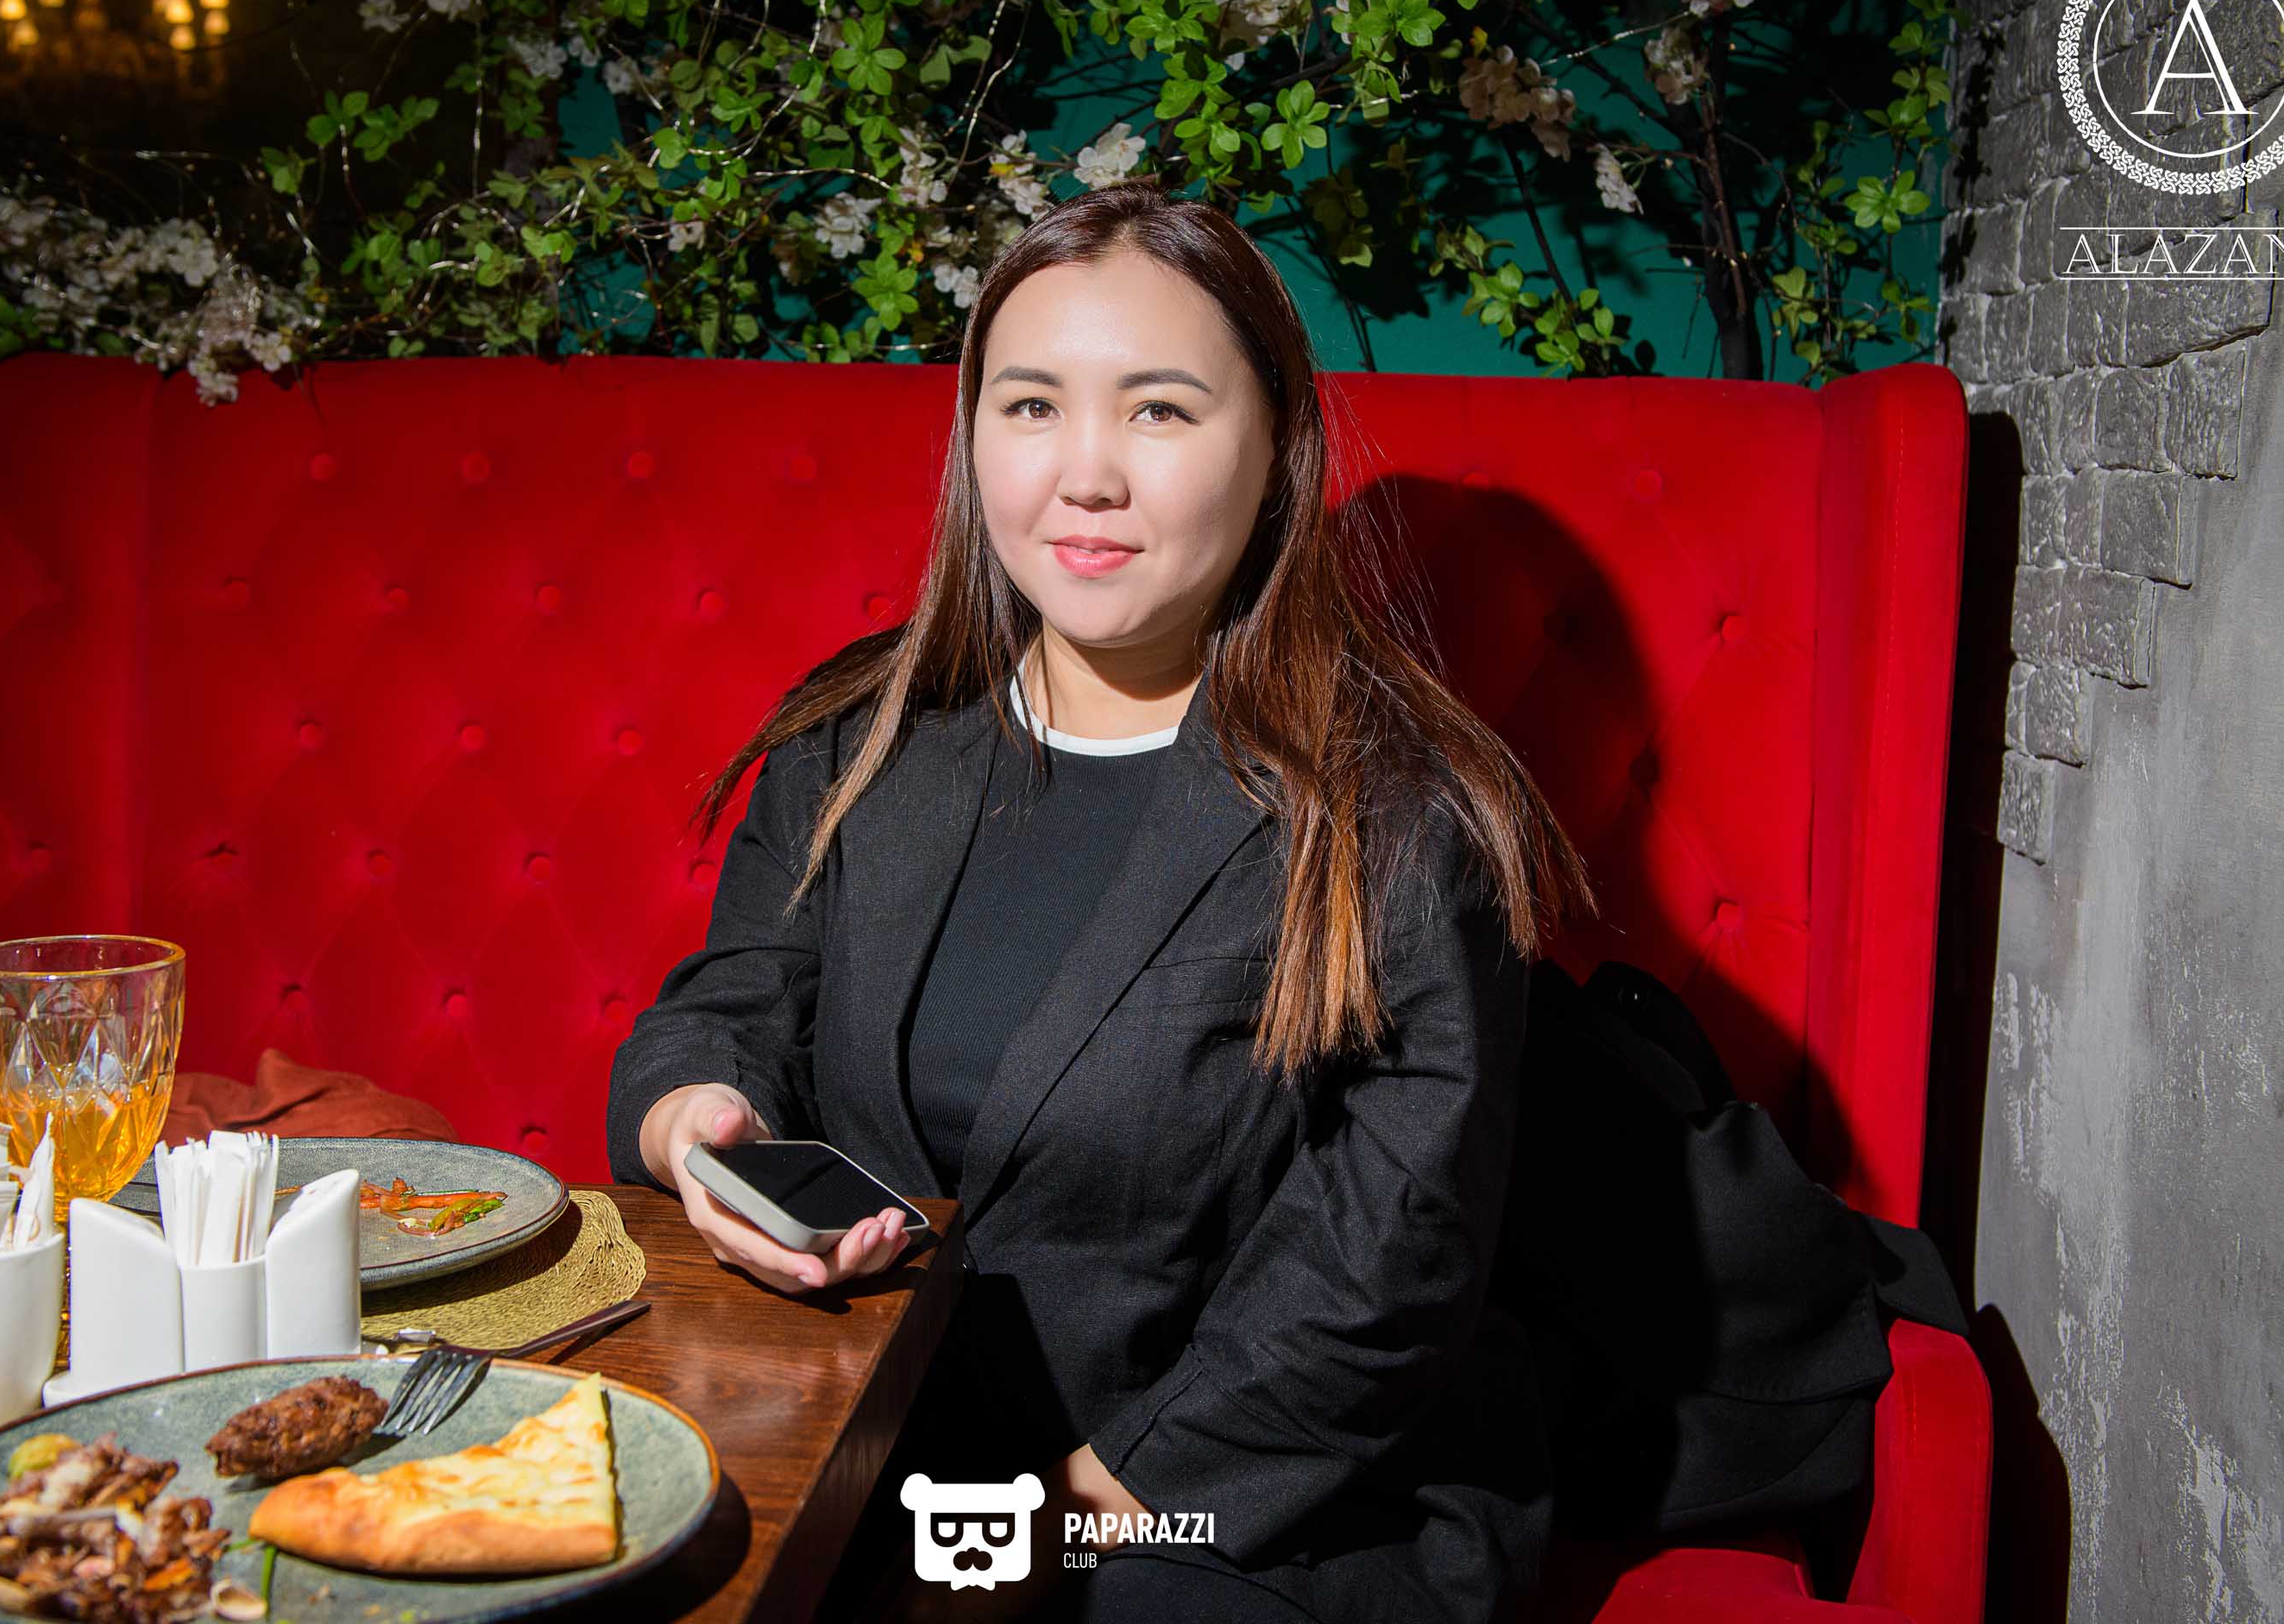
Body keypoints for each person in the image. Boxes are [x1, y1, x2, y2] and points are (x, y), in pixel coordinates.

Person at [606, 178, 1597, 1623]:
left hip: (1245, 1504)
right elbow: (732, 1003)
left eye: (1160, 411)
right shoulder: (860, 733)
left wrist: (1026, 1545)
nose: (1086, 475)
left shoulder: (1403, 812)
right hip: (878, 1448)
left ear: (1278, 452)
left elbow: (1381, 1285)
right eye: (1030, 405)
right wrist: (694, 1127)